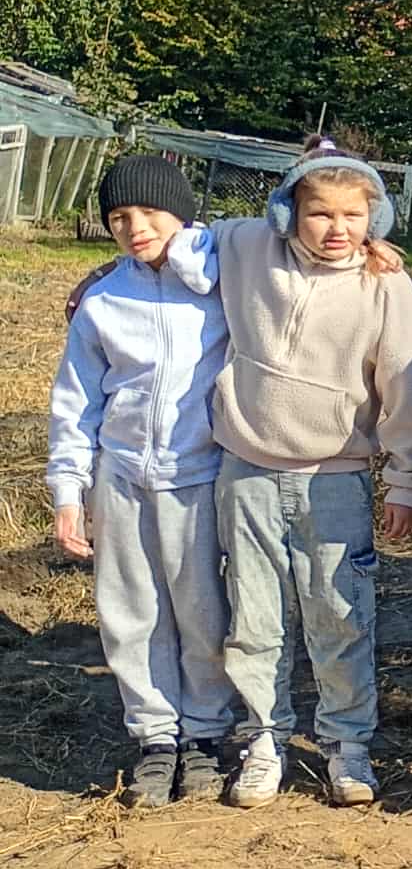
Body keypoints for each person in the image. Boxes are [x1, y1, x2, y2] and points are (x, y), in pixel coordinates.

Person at [192, 147, 412, 810]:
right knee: (254, 615)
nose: (337, 227)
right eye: (320, 212)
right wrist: (103, 272)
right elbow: (171, 240)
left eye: (353, 214)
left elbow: (405, 384)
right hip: (244, 467)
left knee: (340, 614)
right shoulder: (244, 246)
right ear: (287, 212)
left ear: (374, 216)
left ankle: (346, 746)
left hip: (335, 476)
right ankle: (264, 740)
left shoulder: (385, 284)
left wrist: (408, 478)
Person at [48, 156, 234, 806]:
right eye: (119, 217)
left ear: (182, 213)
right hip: (121, 476)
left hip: (199, 474)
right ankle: (156, 738)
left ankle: (206, 736)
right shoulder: (103, 301)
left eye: (150, 212)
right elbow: (76, 404)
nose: (135, 227)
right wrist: (69, 491)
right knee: (130, 611)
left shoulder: (218, 284)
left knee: (202, 611)